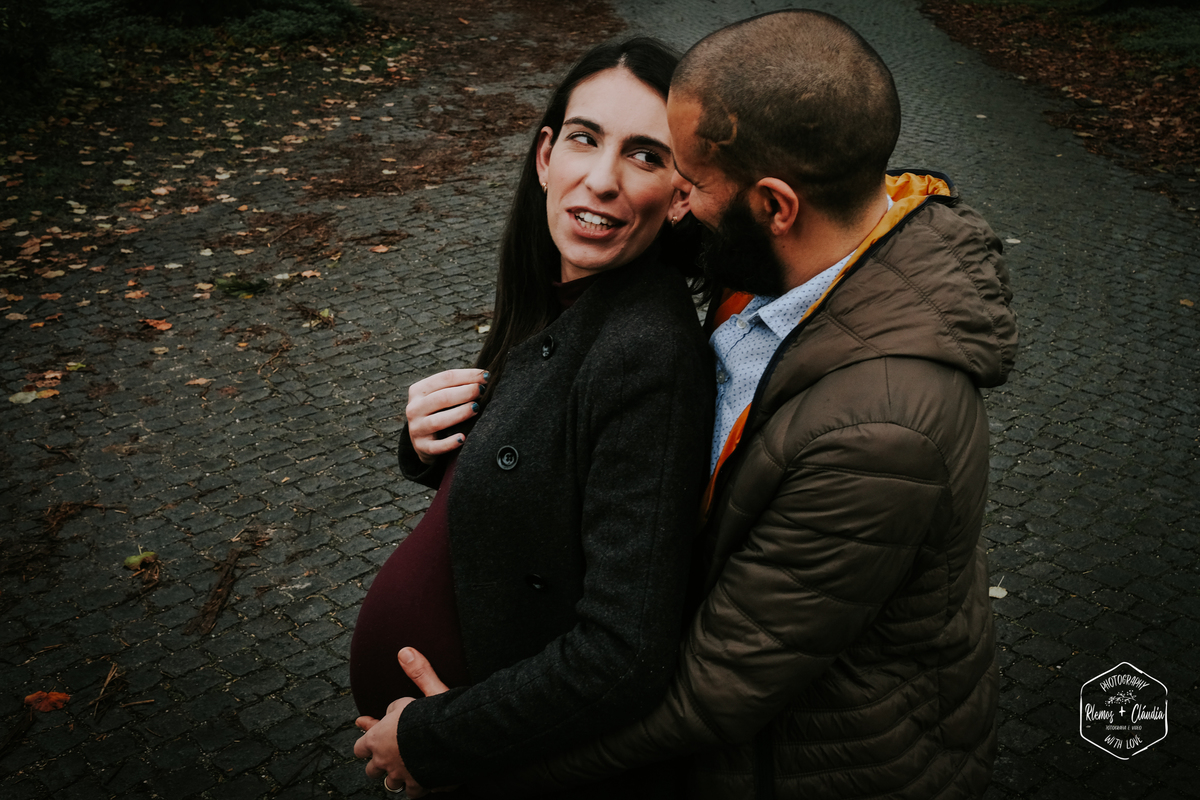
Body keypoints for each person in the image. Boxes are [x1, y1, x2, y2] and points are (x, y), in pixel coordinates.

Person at [395, 9, 1018, 799]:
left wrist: (459, 750)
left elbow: (712, 690)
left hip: (811, 769)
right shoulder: (766, 284)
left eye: (687, 182)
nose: (676, 204)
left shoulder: (880, 432)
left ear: (776, 207)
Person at [349, 37, 712, 798]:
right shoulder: (556, 294)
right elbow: (544, 486)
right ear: (546, 155)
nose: (602, 179)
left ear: (682, 195)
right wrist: (431, 444)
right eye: (585, 138)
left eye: (646, 155)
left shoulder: (647, 353)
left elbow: (624, 654)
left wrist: (438, 736)